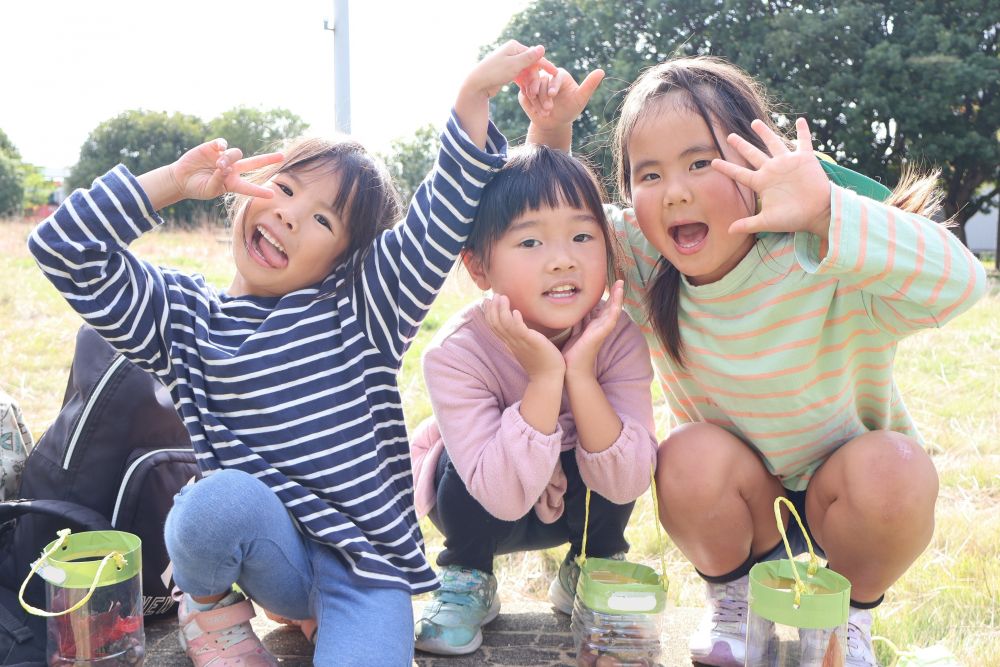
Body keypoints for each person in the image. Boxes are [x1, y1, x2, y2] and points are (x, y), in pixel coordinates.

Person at [26, 41, 556, 667]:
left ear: (344, 259)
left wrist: (471, 98)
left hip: (365, 569)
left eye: (324, 220)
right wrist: (171, 184)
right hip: (269, 558)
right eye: (282, 188)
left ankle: (323, 620)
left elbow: (436, 220)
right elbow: (64, 247)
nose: (289, 217)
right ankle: (213, 615)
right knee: (213, 502)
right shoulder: (184, 318)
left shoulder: (360, 308)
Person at [522, 56, 988, 667]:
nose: (678, 190)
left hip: (846, 493)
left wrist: (826, 212)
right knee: (686, 453)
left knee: (896, 468)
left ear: (756, 162)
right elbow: (555, 235)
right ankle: (736, 598)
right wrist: (552, 134)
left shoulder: (824, 255)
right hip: (741, 500)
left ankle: (845, 621)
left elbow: (964, 284)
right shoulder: (642, 258)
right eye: (650, 174)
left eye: (698, 163)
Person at [409, 144, 658, 655]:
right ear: (479, 268)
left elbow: (630, 478)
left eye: (582, 236)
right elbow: (497, 494)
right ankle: (468, 577)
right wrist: (546, 378)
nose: (563, 260)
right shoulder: (456, 354)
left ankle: (591, 566)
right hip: (487, 510)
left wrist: (581, 374)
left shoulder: (617, 337)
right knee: (452, 462)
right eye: (530, 242)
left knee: (618, 442)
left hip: (577, 507)